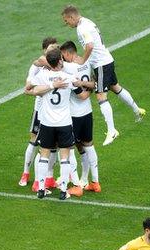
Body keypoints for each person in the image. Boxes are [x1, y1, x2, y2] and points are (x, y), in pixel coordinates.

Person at [62, 5, 146, 146]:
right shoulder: (87, 22)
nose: (66, 23)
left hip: (101, 64)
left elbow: (89, 46)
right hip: (107, 60)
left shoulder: (82, 28)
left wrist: (83, 59)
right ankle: (137, 110)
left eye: (66, 20)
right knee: (115, 87)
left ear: (71, 16)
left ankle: (112, 130)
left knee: (101, 96)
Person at [25, 48, 90, 199]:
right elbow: (81, 92)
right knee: (65, 156)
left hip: (47, 122)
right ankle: (63, 191)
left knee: (44, 154)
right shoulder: (68, 77)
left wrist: (49, 86)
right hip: (64, 123)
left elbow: (28, 88)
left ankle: (41, 189)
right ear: (60, 61)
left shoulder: (42, 75)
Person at [61, 40, 101, 192]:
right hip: (87, 112)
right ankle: (93, 182)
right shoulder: (87, 63)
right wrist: (89, 87)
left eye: (63, 55)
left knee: (68, 148)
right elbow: (95, 83)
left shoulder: (70, 68)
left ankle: (77, 185)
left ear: (67, 53)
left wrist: (78, 85)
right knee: (87, 145)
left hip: (74, 115)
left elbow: (81, 96)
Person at [19, 37, 58, 190]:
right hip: (40, 110)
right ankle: (26, 173)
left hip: (54, 112)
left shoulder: (57, 64)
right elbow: (28, 88)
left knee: (53, 145)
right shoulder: (36, 67)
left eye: (55, 47)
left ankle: (49, 177)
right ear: (44, 50)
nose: (54, 50)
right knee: (35, 142)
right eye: (51, 48)